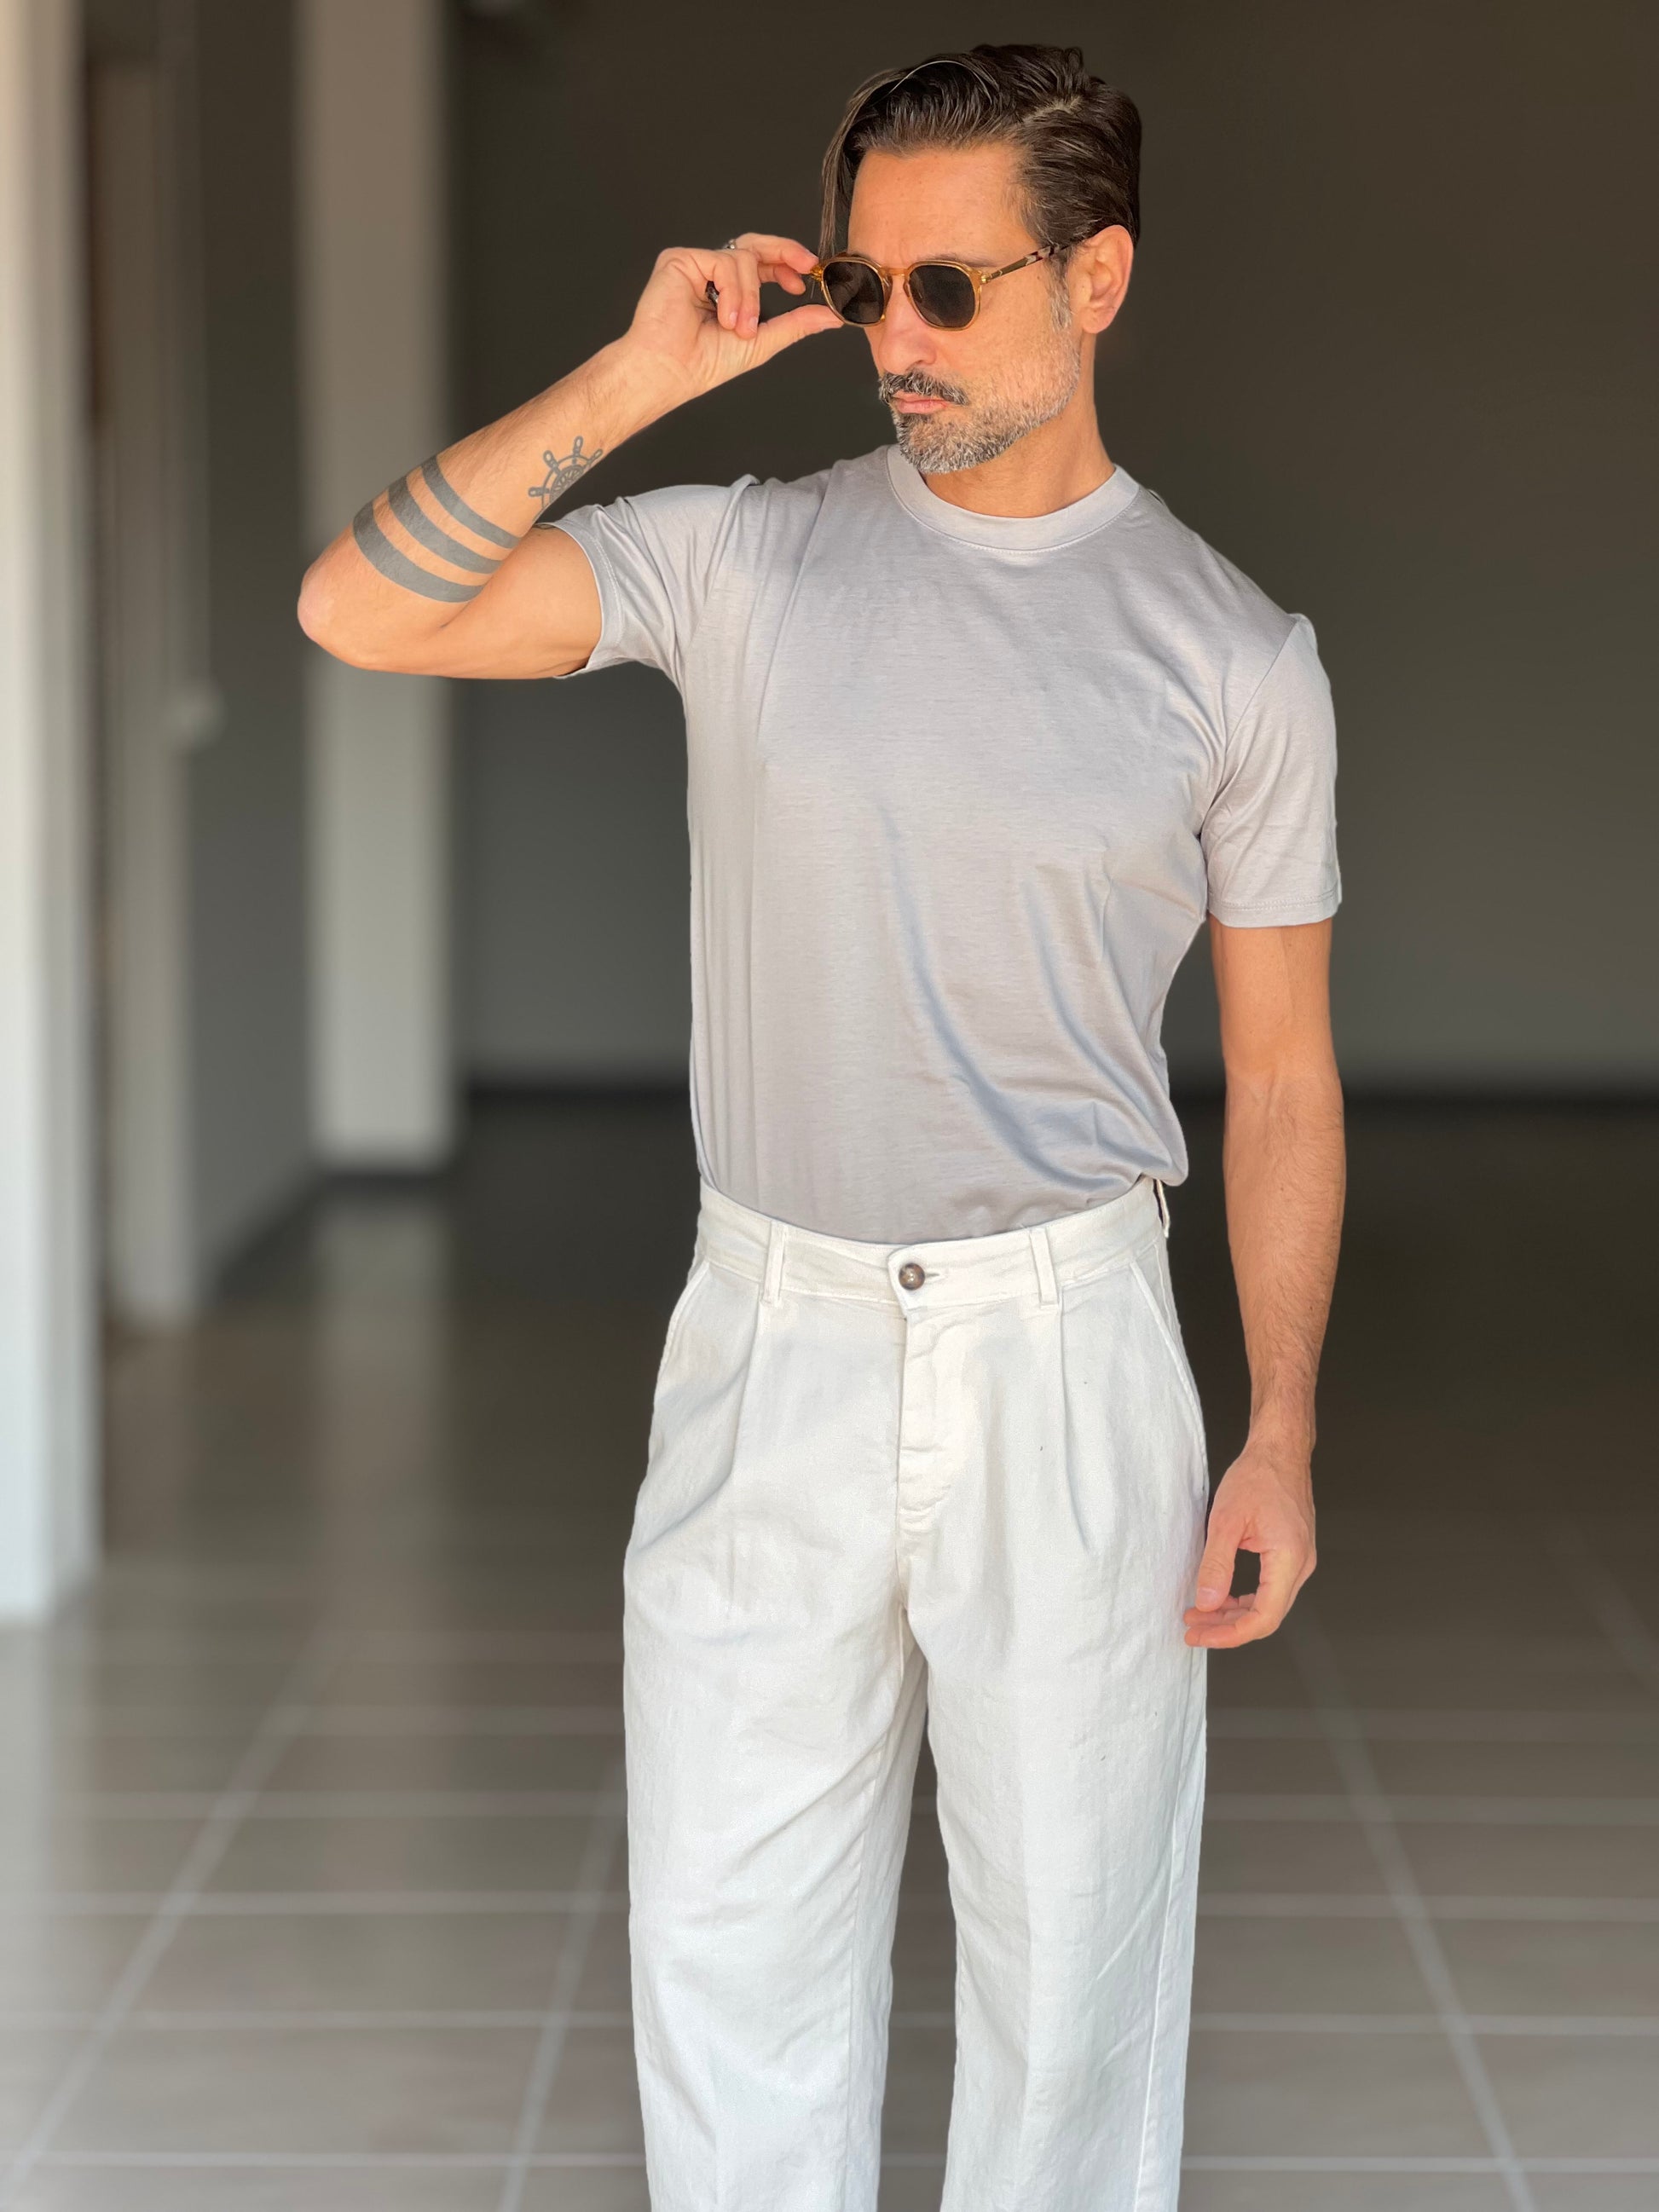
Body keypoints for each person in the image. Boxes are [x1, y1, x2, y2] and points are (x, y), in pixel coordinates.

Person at [298, 40, 1344, 2212]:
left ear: (1098, 278)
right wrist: (639, 375)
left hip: (1067, 1355)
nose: (899, 339)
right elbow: (356, 608)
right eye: (870, 288)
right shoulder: (744, 560)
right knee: (729, 1954)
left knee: (1074, 1986)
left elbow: (1281, 1078)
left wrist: (1278, 1429)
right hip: (769, 1338)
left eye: (953, 288)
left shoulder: (1237, 658)